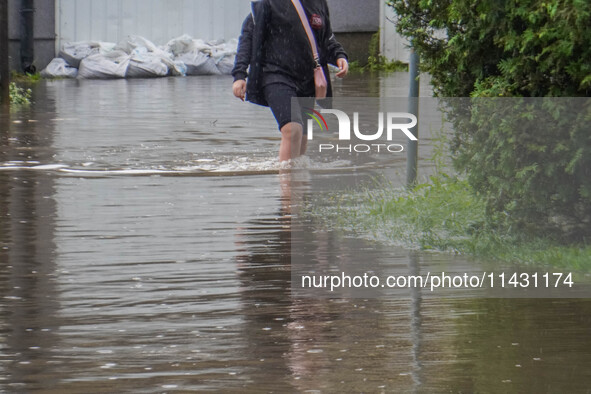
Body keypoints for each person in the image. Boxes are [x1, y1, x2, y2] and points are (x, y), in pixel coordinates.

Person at [232, 0, 349, 162]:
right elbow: (248, 37)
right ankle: (286, 184)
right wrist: (239, 75)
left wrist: (339, 56)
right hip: (275, 75)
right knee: (292, 129)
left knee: (302, 137)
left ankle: (298, 184)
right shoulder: (268, 3)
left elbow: (327, 38)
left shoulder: (318, 3)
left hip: (307, 79)